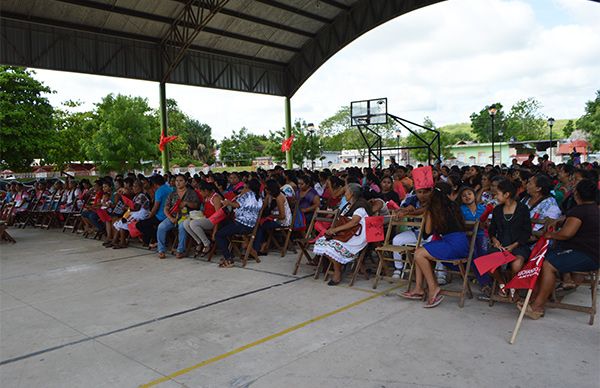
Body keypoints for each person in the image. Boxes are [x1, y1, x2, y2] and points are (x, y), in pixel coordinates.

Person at [522, 179, 599, 319]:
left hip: (586, 254)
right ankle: (534, 296)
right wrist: (561, 220)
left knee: (548, 264)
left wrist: (550, 234)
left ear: (577, 194)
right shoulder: (595, 209)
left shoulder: (579, 211)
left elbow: (566, 234)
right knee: (543, 257)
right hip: (590, 253)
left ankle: (537, 306)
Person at [400, 183, 469, 308]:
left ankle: (433, 288)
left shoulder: (433, 210)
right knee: (419, 252)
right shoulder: (453, 205)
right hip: (460, 243)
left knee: (419, 253)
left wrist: (427, 213)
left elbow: (427, 232)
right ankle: (419, 289)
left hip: (453, 245)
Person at [313, 183, 372, 285]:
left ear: (352, 193)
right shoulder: (349, 205)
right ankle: (338, 267)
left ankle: (337, 272)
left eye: (346, 192)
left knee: (332, 246)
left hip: (356, 236)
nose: (344, 194)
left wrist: (335, 230)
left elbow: (354, 222)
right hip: (347, 233)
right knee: (322, 242)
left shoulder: (360, 207)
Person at [488, 180, 532, 298]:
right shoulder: (497, 210)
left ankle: (513, 285)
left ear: (506, 194)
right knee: (489, 264)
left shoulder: (523, 209)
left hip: (518, 246)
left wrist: (514, 245)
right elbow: (492, 229)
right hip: (501, 246)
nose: (495, 196)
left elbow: (527, 232)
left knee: (516, 264)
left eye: (497, 194)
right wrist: (494, 240)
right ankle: (502, 283)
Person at [215, 178, 263, 268]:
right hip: (252, 226)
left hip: (242, 224)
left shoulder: (247, 195)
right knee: (225, 226)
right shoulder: (259, 198)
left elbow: (236, 205)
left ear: (248, 188)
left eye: (244, 187)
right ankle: (229, 254)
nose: (243, 190)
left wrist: (227, 202)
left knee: (218, 234)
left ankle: (228, 258)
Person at [389, 187, 433, 280]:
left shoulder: (434, 200)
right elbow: (405, 207)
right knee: (396, 240)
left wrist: (406, 212)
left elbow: (423, 210)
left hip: (431, 233)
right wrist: (402, 211)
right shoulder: (412, 199)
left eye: (425, 192)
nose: (422, 195)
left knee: (439, 243)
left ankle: (439, 273)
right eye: (419, 192)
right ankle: (398, 268)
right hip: (415, 232)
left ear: (430, 192)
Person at [156, 174, 200, 259]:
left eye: (181, 181)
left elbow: (196, 205)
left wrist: (187, 203)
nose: (178, 183)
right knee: (161, 227)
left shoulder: (191, 192)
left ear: (186, 182)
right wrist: (170, 218)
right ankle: (161, 250)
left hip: (186, 217)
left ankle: (180, 250)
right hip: (173, 216)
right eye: (177, 181)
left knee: (182, 227)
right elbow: (166, 208)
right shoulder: (172, 193)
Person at [182, 180, 223, 256]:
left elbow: (218, 215)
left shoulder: (215, 198)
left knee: (193, 224)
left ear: (206, 191)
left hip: (212, 221)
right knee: (186, 223)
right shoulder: (206, 197)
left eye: (201, 191)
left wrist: (215, 231)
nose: (200, 193)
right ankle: (199, 242)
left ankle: (207, 243)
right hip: (205, 218)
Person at [251, 179, 292, 256]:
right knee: (257, 223)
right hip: (273, 217)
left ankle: (258, 248)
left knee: (261, 226)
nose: (265, 190)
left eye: (266, 188)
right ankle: (261, 246)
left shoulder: (279, 197)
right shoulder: (269, 195)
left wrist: (270, 217)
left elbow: (282, 216)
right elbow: (263, 207)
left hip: (282, 220)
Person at [112, 180, 151, 248]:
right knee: (121, 222)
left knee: (123, 222)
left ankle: (121, 242)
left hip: (141, 214)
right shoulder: (136, 196)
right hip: (136, 213)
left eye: (136, 186)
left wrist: (127, 207)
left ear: (141, 187)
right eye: (133, 186)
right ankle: (115, 241)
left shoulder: (141, 196)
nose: (134, 188)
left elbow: (136, 208)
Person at [138, 175, 172, 247]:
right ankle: (151, 240)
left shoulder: (159, 191)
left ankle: (156, 239)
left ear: (154, 183)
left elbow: (155, 207)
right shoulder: (169, 188)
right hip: (170, 214)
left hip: (161, 216)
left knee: (140, 224)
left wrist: (150, 216)